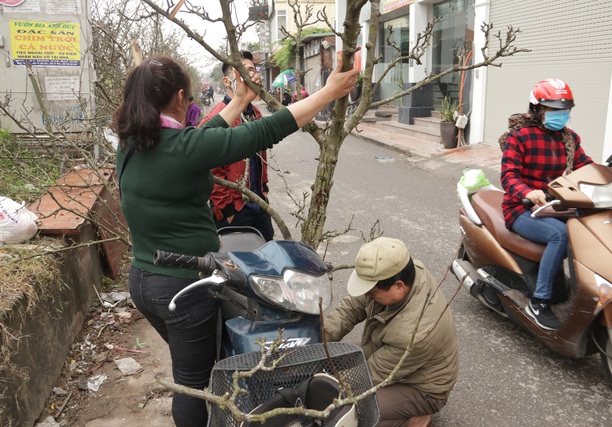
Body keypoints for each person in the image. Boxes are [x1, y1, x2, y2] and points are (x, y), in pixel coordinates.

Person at [112, 55, 358, 427]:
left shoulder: (130, 144)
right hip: (183, 286)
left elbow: (204, 140)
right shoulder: (182, 147)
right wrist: (328, 92)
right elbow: (261, 132)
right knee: (194, 383)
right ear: (180, 97)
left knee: (190, 367)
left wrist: (240, 101)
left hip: (144, 281)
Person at [324, 237, 459, 427]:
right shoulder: (402, 271)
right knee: (332, 357)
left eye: (371, 293)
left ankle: (415, 418)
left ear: (399, 286)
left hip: (423, 387)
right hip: (387, 353)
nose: (366, 296)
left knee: (352, 410)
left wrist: (327, 396)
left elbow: (370, 375)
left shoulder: (415, 334)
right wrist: (320, 338)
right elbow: (350, 308)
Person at [501, 79, 594, 331]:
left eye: (564, 110)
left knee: (593, 226)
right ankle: (539, 302)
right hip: (521, 208)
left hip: (559, 205)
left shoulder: (570, 138)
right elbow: (508, 176)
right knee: (559, 234)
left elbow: (588, 168)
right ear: (537, 110)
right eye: (553, 109)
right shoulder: (519, 137)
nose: (560, 115)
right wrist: (528, 192)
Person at [198, 51, 274, 240]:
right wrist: (228, 209)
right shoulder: (218, 117)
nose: (251, 75)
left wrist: (263, 192)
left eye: (252, 70)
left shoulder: (254, 113)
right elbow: (209, 169)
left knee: (266, 257)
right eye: (243, 71)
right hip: (234, 211)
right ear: (226, 81)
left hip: (259, 204)